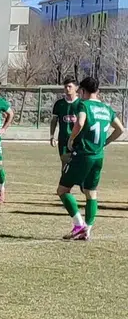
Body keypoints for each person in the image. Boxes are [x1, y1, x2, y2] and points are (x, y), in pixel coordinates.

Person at [57, 76, 124, 241]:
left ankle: (79, 224)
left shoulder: (84, 104)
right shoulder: (106, 108)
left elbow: (80, 123)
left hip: (83, 154)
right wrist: (105, 142)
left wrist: (71, 139)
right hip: (98, 156)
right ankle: (87, 229)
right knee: (90, 192)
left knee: (63, 190)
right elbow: (120, 129)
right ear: (98, 91)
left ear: (82, 91)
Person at [50, 77, 79, 166]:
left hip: (77, 139)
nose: (67, 89)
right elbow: (54, 120)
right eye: (65, 87)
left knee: (78, 164)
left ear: (76, 88)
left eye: (70, 86)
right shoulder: (59, 104)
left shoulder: (81, 103)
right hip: (63, 138)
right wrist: (52, 136)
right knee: (65, 163)